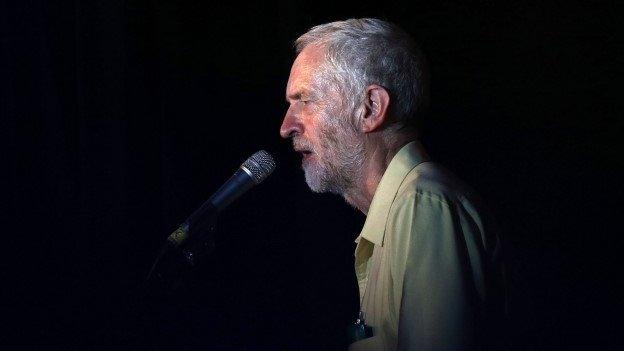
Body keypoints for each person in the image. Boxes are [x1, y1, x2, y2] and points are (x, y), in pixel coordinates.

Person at [280, 18, 507, 351]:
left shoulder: (423, 205)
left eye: (305, 100)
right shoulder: (406, 208)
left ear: (371, 108)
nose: (286, 127)